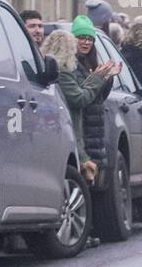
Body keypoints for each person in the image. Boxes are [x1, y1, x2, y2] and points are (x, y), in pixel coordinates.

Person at [43, 25, 113, 186]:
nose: (84, 44)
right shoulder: (65, 70)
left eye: (90, 39)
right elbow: (79, 98)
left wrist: (101, 77)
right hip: (72, 130)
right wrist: (98, 78)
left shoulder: (60, 68)